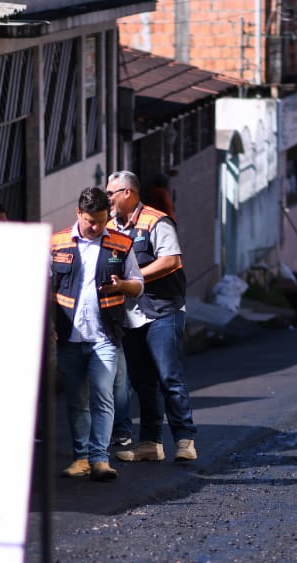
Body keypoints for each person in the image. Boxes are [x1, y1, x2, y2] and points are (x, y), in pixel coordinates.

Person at [50, 186, 143, 481]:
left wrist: (122, 286)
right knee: (77, 400)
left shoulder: (120, 244)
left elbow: (138, 284)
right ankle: (81, 459)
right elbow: (43, 289)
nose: (97, 227)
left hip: (105, 336)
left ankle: (100, 458)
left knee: (102, 396)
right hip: (69, 337)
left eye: (102, 220)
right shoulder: (57, 244)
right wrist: (48, 326)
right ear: (79, 213)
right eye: (91, 220)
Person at [105, 170, 198, 464]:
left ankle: (185, 440)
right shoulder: (109, 227)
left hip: (163, 310)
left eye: (111, 193)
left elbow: (171, 260)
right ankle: (150, 443)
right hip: (131, 316)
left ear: (128, 193)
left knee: (169, 376)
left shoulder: (156, 221)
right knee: (143, 381)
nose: (107, 198)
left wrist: (133, 279)